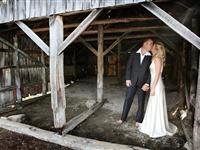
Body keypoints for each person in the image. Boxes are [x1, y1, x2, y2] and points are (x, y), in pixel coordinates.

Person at [138, 41, 177, 138]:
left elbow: (158, 74)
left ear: (157, 49)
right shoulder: (155, 58)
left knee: (156, 104)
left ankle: (156, 126)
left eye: (153, 46)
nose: (151, 47)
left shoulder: (157, 58)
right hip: (155, 83)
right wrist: (149, 84)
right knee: (154, 104)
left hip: (157, 84)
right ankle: (152, 123)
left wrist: (153, 87)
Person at [117, 38, 153, 127]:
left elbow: (151, 72)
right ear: (144, 44)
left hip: (143, 83)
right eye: (150, 44)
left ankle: (139, 120)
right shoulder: (133, 54)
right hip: (132, 81)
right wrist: (127, 79)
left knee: (141, 102)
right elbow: (128, 67)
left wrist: (147, 83)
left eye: (152, 44)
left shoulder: (150, 56)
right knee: (128, 99)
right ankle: (122, 118)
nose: (151, 46)